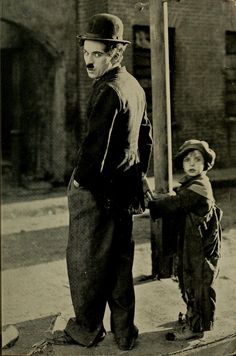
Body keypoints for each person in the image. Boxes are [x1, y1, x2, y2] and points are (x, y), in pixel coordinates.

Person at [64, 13, 152, 351]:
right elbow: (147, 139)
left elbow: (94, 149)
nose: (89, 60)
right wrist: (137, 175)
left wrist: (79, 184)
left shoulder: (108, 90)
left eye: (97, 54)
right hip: (124, 191)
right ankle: (124, 332)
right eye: (86, 52)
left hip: (98, 193)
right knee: (118, 263)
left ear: (116, 54)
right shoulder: (133, 85)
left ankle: (87, 329)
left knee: (84, 261)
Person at [148, 139, 222, 340]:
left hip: (198, 246)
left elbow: (177, 203)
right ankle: (193, 317)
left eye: (197, 160)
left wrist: (152, 202)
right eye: (187, 159)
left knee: (197, 282)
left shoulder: (199, 187)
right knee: (189, 279)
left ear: (205, 165)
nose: (191, 163)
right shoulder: (193, 184)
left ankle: (195, 327)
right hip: (192, 242)